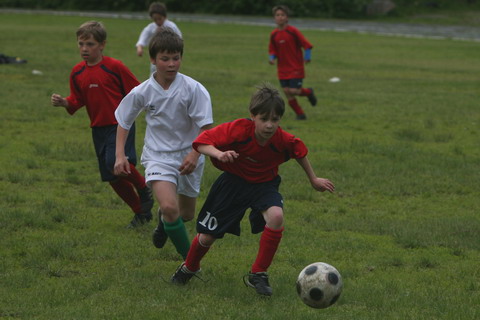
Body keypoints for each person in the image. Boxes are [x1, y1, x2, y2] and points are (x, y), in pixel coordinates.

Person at [170, 83, 335, 296]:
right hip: (232, 184)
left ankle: (258, 273)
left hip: (264, 185)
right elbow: (202, 142)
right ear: (252, 116)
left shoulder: (281, 139)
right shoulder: (238, 130)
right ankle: (189, 267)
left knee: (276, 216)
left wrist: (313, 179)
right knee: (207, 237)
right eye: (264, 119)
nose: (269, 125)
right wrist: (218, 154)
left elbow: (298, 151)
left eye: (274, 120)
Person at [114, 28, 213, 260]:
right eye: (165, 59)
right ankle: (190, 264)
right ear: (153, 59)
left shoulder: (194, 89)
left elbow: (206, 128)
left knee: (185, 214)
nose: (171, 64)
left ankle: (163, 222)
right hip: (158, 156)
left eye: (176, 58)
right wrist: (120, 155)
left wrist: (194, 154)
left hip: (190, 155)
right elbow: (123, 121)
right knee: (170, 207)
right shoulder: (143, 92)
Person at [51, 21, 153, 228]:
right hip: (98, 128)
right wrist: (65, 102)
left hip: (120, 125)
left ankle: (145, 189)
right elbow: (78, 99)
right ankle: (141, 213)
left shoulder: (115, 67)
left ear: (102, 45)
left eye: (89, 44)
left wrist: (144, 111)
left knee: (115, 164)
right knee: (111, 177)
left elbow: (137, 91)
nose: (84, 49)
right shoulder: (77, 72)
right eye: (81, 44)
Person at [269, 5, 317, 120]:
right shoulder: (274, 34)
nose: (280, 17)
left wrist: (307, 57)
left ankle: (308, 92)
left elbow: (307, 45)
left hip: (296, 67)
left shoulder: (293, 31)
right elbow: (272, 49)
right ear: (274, 18)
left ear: (287, 18)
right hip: (282, 69)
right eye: (277, 15)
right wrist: (271, 58)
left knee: (294, 91)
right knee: (286, 91)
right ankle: (300, 114)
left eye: (282, 15)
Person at [136, 2, 182, 75]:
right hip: (156, 55)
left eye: (159, 19)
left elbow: (180, 39)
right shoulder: (151, 27)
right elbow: (143, 38)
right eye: (155, 19)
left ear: (165, 16)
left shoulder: (171, 26)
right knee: (154, 71)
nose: (158, 21)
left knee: (170, 70)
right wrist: (139, 48)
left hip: (170, 54)